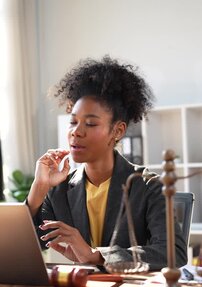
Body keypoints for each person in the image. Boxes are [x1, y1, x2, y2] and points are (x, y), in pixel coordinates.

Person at [27, 55, 187, 271]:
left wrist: (98, 255)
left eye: (90, 123)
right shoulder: (60, 190)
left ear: (117, 131)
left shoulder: (148, 186)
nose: (76, 131)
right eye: (73, 121)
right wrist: (38, 189)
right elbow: (27, 247)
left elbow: (172, 253)